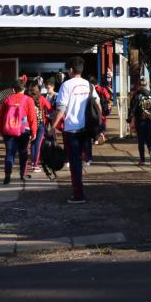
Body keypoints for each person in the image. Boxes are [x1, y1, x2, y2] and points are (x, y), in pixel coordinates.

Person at [50, 57, 100, 204]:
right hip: (86, 129)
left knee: (75, 162)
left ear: (71, 70)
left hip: (71, 130)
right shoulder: (89, 85)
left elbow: (61, 109)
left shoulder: (66, 85)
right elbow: (98, 106)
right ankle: (79, 191)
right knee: (80, 159)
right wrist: (99, 127)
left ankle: (78, 194)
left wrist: (53, 126)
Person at [0, 78, 37, 185]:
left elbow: (0, 116)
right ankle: (22, 174)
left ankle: (7, 175)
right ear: (24, 88)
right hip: (24, 131)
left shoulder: (7, 99)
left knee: (9, 153)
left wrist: (1, 129)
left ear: (13, 89)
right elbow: (32, 117)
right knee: (23, 153)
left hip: (9, 130)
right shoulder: (28, 100)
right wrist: (34, 132)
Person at [128, 78, 151, 165]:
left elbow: (132, 109)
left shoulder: (137, 96)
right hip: (150, 120)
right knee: (149, 138)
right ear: (146, 85)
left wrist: (130, 119)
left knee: (141, 141)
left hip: (140, 121)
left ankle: (142, 160)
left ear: (139, 85)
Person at [28, 83, 52, 173]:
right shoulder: (42, 98)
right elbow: (49, 108)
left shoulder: (28, 99)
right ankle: (35, 164)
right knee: (37, 145)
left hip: (31, 124)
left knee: (33, 144)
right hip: (41, 124)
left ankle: (33, 162)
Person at [89, 75, 112, 144]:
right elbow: (108, 97)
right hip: (103, 109)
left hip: (94, 109)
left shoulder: (91, 89)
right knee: (103, 122)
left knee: (94, 124)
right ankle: (102, 135)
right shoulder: (102, 89)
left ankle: (96, 138)